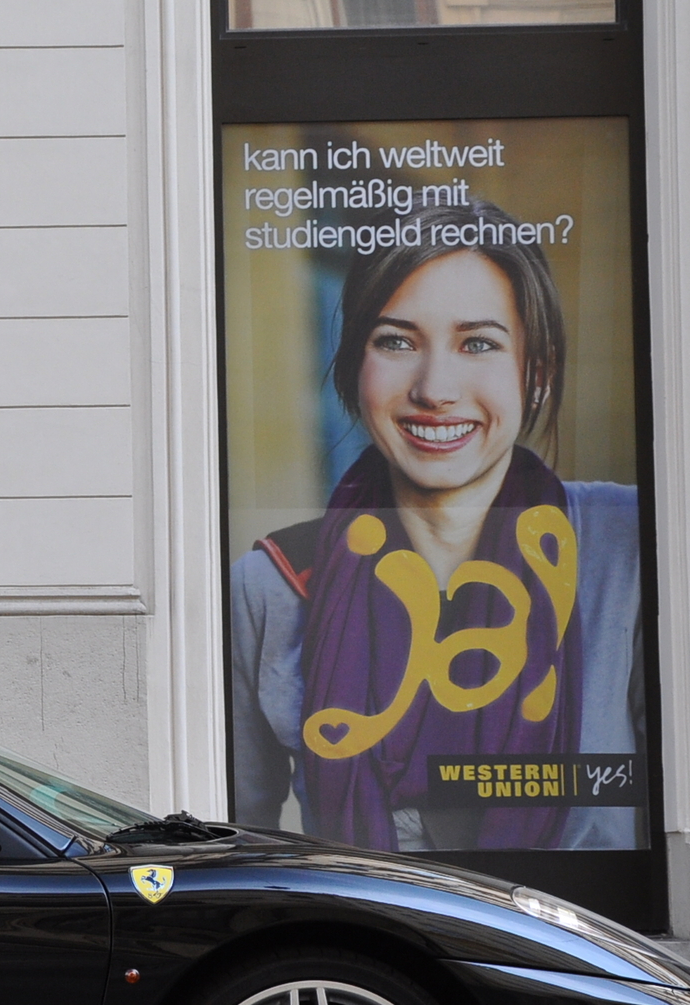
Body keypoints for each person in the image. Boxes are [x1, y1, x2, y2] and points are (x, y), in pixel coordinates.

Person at [228, 198, 641, 850]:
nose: (435, 387)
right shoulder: (268, 587)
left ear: (537, 371)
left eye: (478, 342)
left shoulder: (627, 548)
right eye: (396, 341)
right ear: (353, 367)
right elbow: (241, 845)